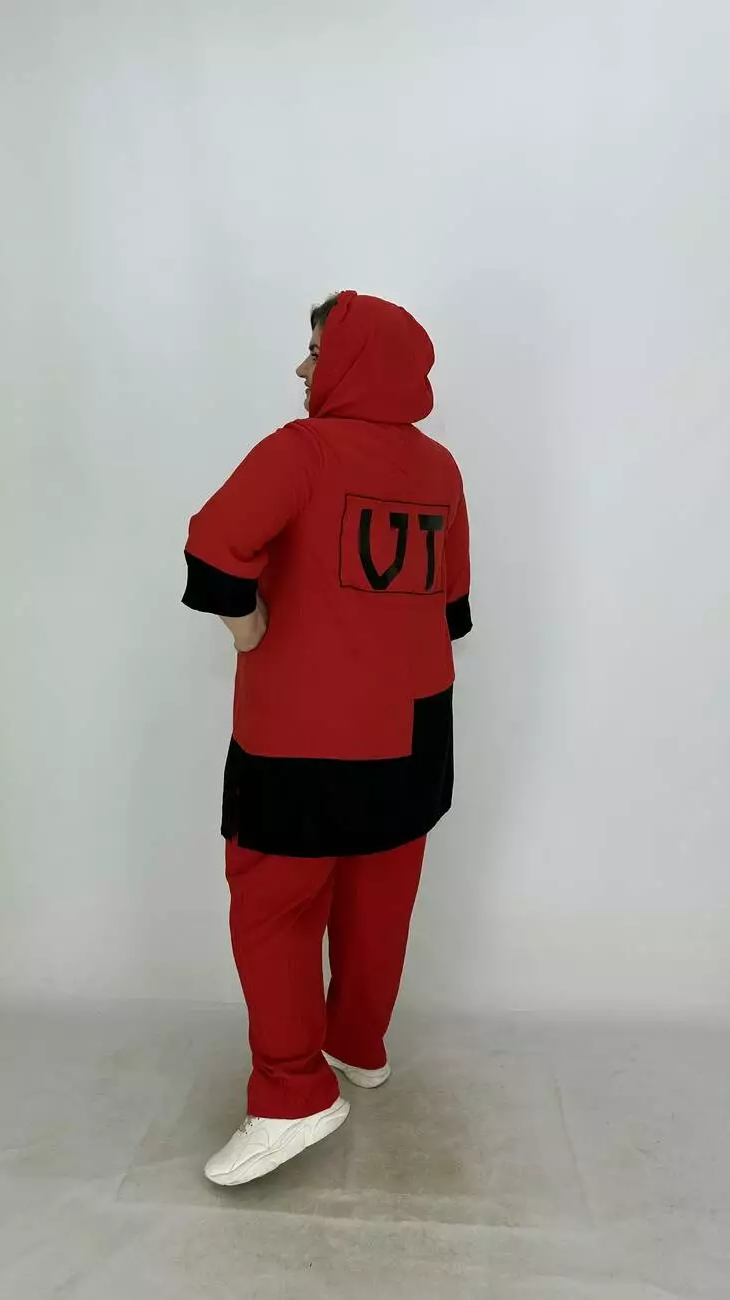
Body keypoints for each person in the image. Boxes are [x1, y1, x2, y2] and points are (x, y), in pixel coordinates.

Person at [182, 290, 472, 1186]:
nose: (302, 368)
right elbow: (451, 606)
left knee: (274, 908)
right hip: (417, 729)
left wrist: (248, 631)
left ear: (350, 361)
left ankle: (290, 1094)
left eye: (315, 350)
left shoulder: (299, 450)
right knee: (380, 895)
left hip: (304, 733)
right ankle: (357, 1044)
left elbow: (212, 549)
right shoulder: (440, 466)